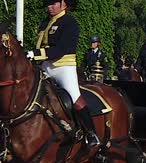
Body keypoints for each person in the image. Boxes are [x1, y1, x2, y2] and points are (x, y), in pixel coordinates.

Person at [26, 0, 99, 147]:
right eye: (48, 3)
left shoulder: (70, 23)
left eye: (53, 3)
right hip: (45, 65)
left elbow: (61, 50)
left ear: (64, 4)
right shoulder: (46, 22)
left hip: (63, 66)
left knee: (75, 97)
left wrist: (34, 54)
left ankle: (91, 134)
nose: (49, 6)